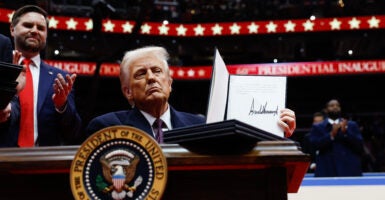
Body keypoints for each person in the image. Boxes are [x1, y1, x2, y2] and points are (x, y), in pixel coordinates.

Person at [85, 46, 297, 141]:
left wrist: (277, 131)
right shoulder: (107, 128)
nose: (151, 78)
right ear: (128, 92)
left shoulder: (201, 125)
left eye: (157, 71)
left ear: (169, 83)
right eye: (141, 74)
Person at [0, 5, 82, 147]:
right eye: (28, 25)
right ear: (12, 30)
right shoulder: (1, 68)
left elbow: (73, 132)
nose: (34, 31)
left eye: (41, 28)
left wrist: (62, 106)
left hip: (42, 161)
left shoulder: (60, 78)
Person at [308, 99, 364, 177]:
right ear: (326, 110)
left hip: (349, 169)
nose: (335, 107)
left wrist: (345, 133)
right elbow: (314, 146)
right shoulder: (318, 127)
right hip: (327, 169)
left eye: (337, 105)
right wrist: (331, 135)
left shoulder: (351, 125)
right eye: (332, 105)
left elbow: (359, 146)